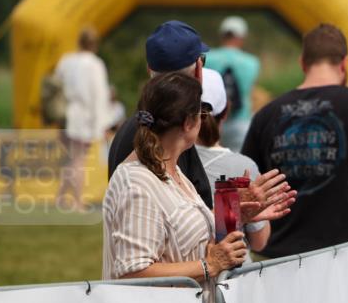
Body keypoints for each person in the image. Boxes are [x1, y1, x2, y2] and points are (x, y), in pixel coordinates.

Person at [241, 23, 348, 257]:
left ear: (302, 63)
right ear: (345, 63)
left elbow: (246, 186)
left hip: (277, 263)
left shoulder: (266, 115)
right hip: (345, 259)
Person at [108, 20, 291, 220]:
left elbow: (182, 225)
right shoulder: (169, 139)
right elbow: (169, 235)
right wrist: (231, 213)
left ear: (149, 69)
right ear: (198, 70)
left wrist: (235, 212)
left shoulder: (141, 129)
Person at [102, 73, 245, 303]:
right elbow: (132, 273)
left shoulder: (172, 173)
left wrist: (236, 214)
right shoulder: (137, 182)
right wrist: (209, 265)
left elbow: (180, 237)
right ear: (189, 123)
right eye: (201, 114)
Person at [196, 68, 274, 259]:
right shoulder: (242, 167)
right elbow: (259, 242)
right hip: (231, 279)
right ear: (226, 111)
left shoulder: (161, 161)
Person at [53, 27, 112, 211]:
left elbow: (56, 84)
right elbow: (99, 96)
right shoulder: (95, 64)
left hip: (66, 113)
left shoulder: (66, 61)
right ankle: (77, 201)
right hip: (84, 116)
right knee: (79, 159)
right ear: (94, 44)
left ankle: (61, 197)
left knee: (72, 158)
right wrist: (102, 124)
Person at [204, 16, 261, 151]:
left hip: (211, 121)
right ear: (241, 37)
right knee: (239, 165)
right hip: (240, 120)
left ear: (222, 35)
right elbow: (251, 92)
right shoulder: (252, 62)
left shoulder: (207, 57)